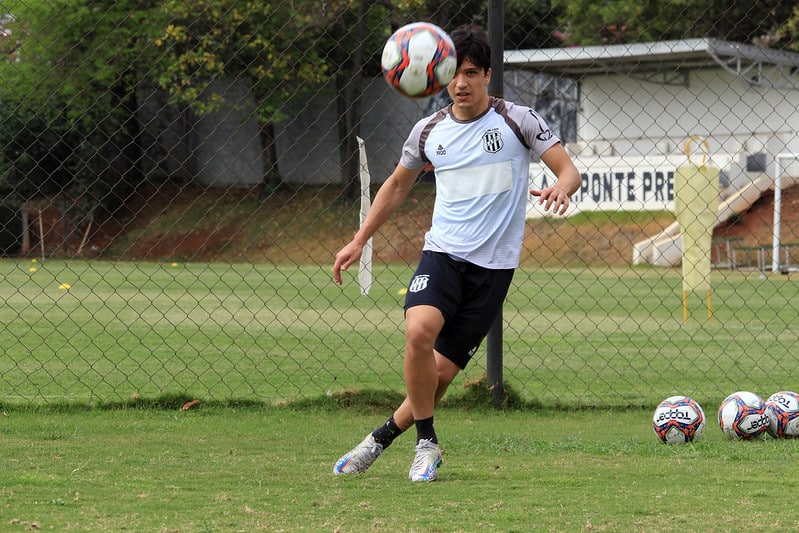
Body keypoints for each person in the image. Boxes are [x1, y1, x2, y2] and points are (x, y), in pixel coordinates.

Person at [332, 24, 581, 482]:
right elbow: (396, 187)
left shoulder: (519, 120)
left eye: (470, 73)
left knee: (441, 376)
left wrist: (561, 190)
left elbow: (568, 171)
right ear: (441, 77)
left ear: (488, 75)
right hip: (443, 254)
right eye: (453, 74)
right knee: (418, 333)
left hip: (494, 269)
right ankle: (427, 443)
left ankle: (379, 439)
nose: (461, 83)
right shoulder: (428, 130)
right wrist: (359, 238)